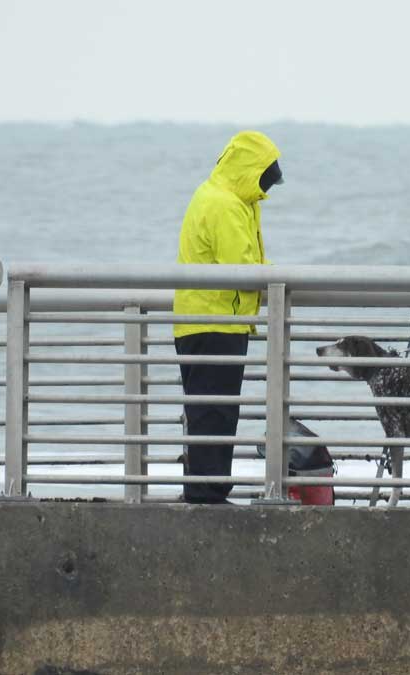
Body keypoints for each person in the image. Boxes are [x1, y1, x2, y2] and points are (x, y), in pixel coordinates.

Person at [173, 131, 284, 504]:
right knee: (213, 413)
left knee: (211, 411)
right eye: (267, 173)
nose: (269, 183)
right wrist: (276, 279)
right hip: (213, 322)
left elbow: (245, 261)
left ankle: (207, 490)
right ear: (250, 169)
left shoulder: (228, 198)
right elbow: (241, 266)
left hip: (208, 320)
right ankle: (207, 496)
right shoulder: (224, 205)